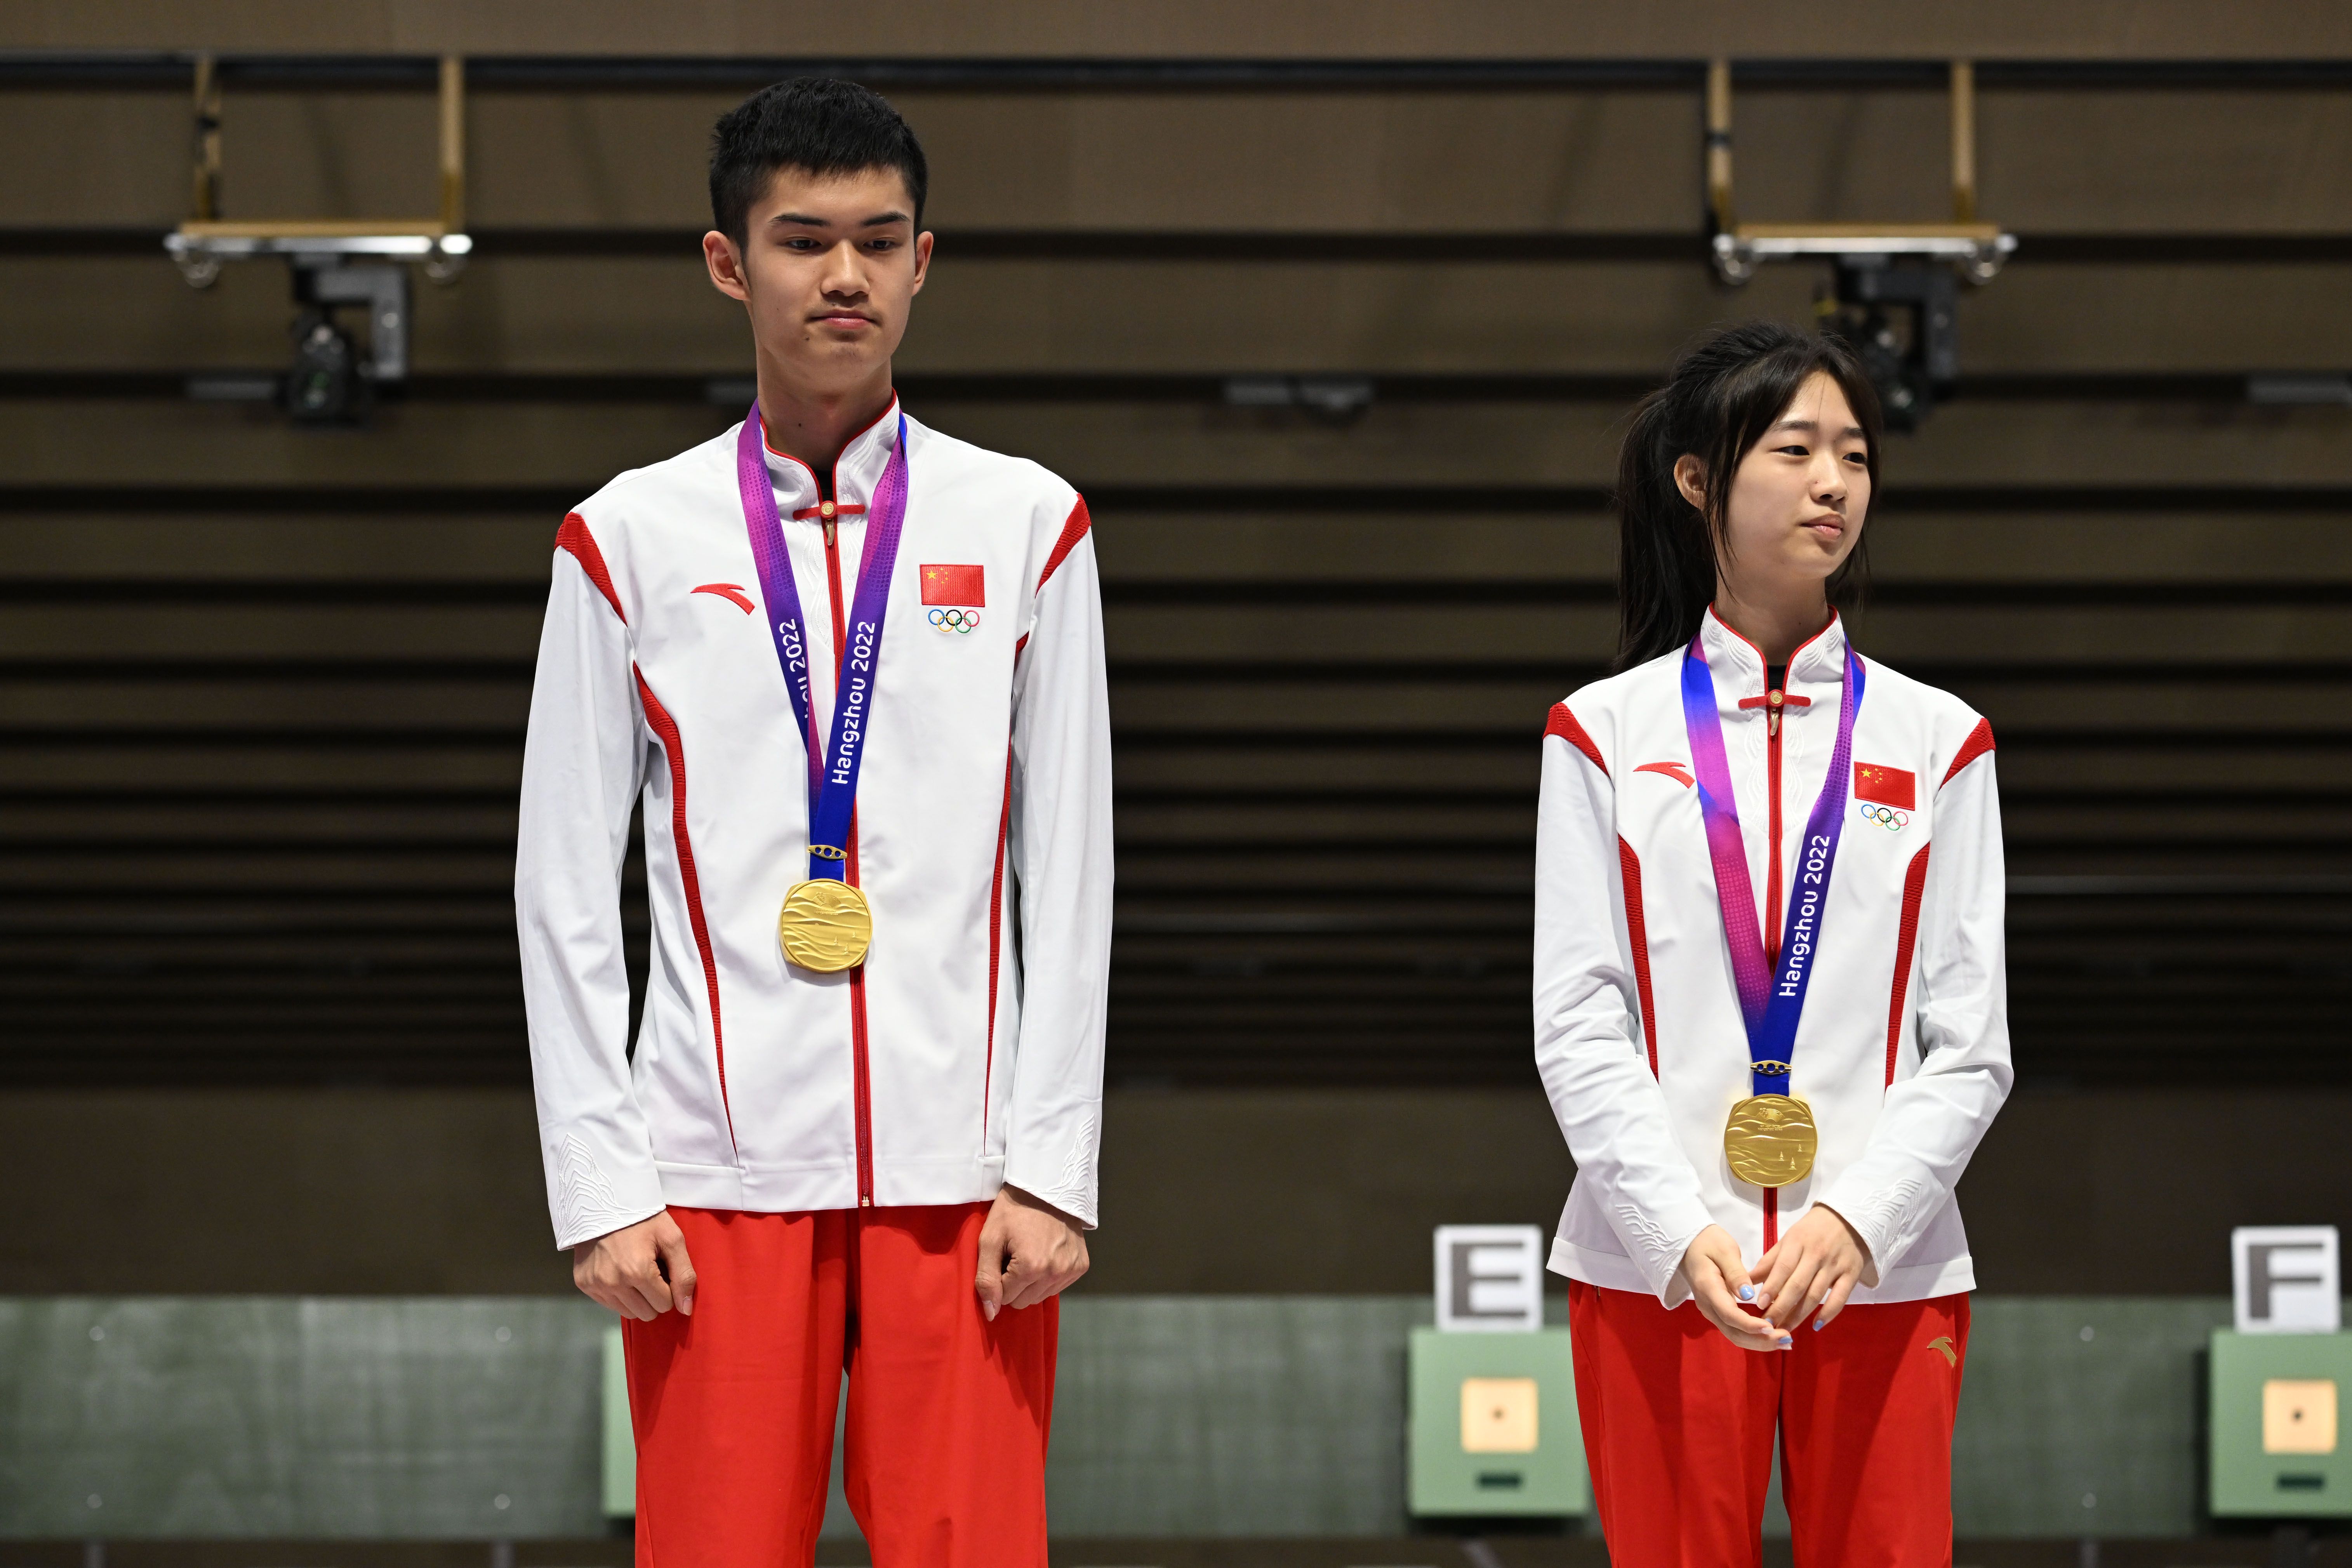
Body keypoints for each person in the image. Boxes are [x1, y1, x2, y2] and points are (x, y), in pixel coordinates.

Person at [515, 78, 1111, 1567]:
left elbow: (1075, 870)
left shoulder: (1029, 522)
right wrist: (602, 1184)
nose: (842, 276)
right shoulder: (628, 539)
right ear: (731, 265)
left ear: (923, 260)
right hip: (713, 1180)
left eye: (877, 240)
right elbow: (563, 888)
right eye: (802, 241)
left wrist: (1049, 1163)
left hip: (961, 1187)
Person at [1533, 321, 2011, 1566]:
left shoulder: (1938, 740)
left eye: (1853, 454)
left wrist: (1856, 1221)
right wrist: (1673, 1229)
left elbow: (1969, 1043)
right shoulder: (1600, 735)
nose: (1832, 484)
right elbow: (1579, 1020)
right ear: (1697, 478)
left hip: (1882, 1270)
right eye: (1795, 448)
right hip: (1662, 1266)